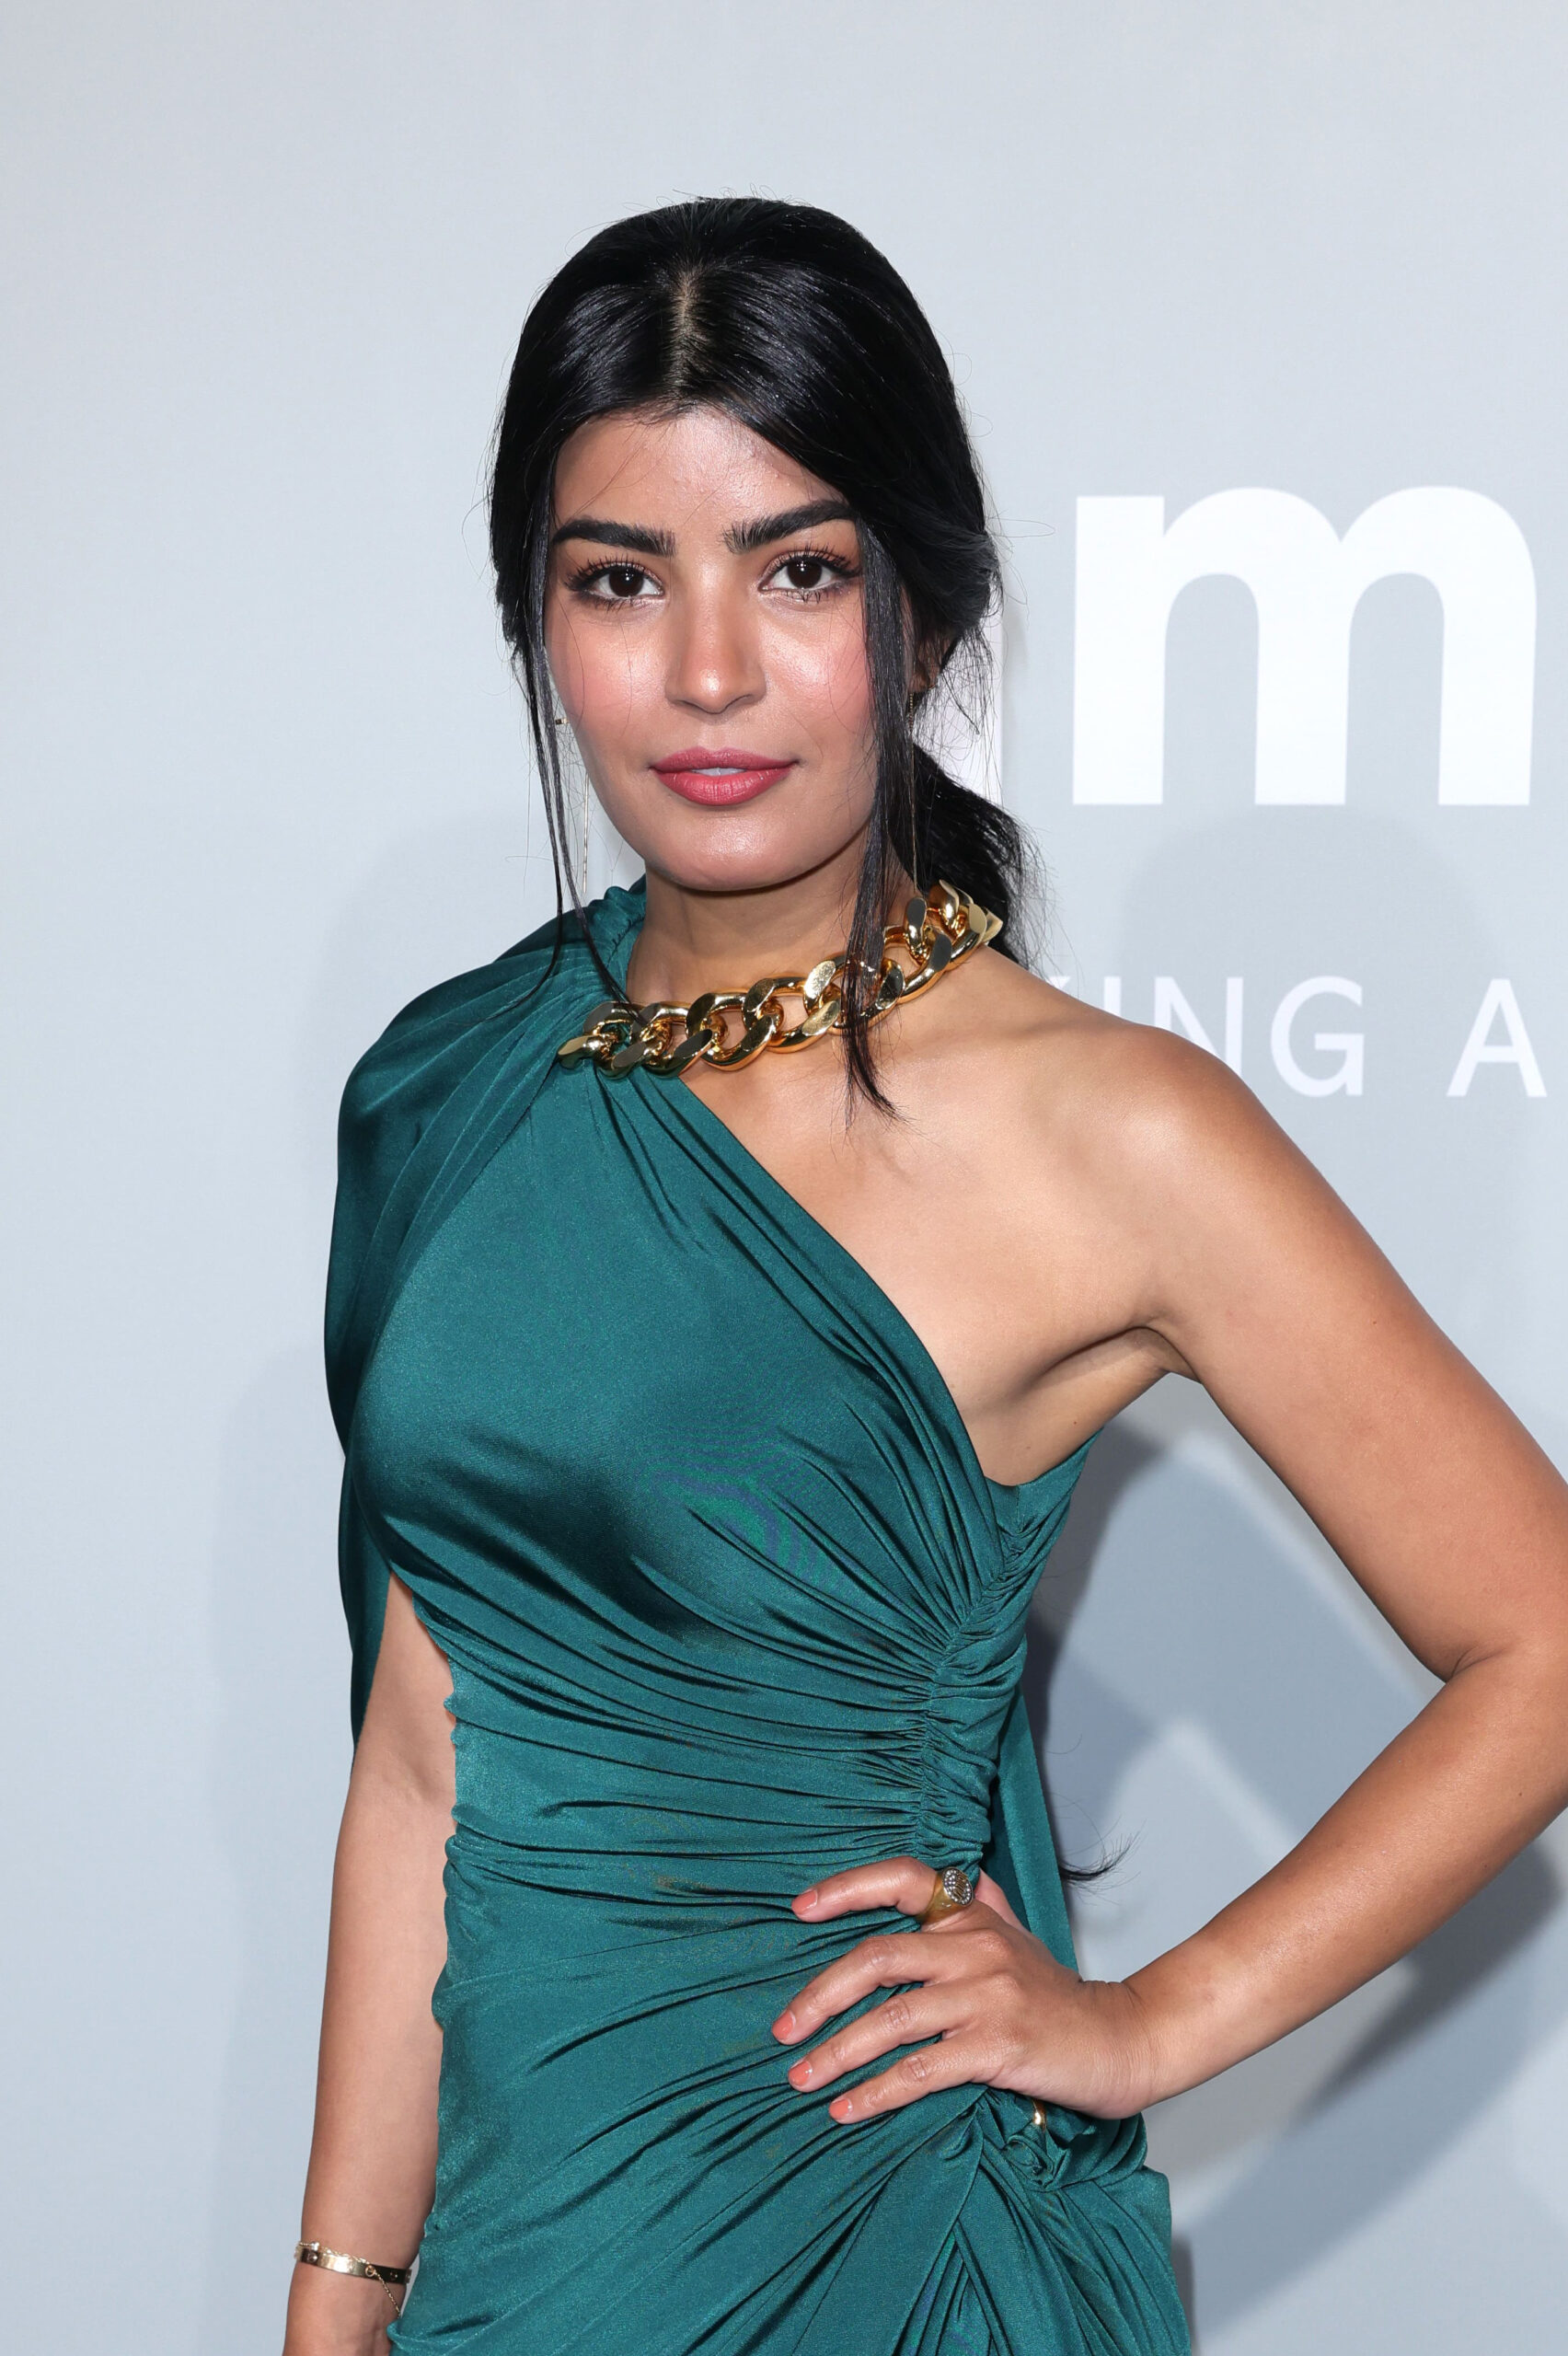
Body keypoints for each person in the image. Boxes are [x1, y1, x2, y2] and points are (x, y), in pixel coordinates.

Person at [282, 199, 1568, 2356]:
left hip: (888, 2239)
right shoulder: (446, 1083)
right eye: (621, 579)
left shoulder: (1105, 1129)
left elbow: (1542, 1634)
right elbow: (423, 1764)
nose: (708, 670)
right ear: (534, 613)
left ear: (927, 606)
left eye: (796, 570)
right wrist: (339, 2298)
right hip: (528, 2256)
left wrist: (1148, 2019)